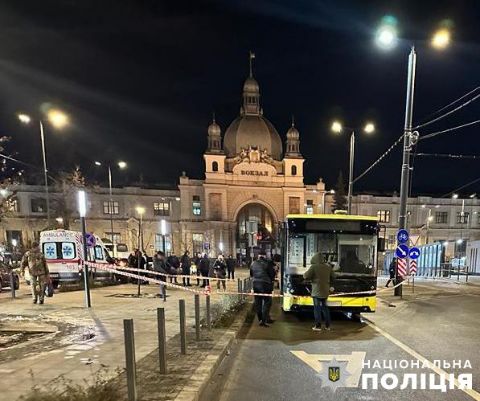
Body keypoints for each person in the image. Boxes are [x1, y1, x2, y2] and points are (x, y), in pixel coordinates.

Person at [304, 252, 334, 331]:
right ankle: (328, 326)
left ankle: (318, 326)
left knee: (317, 309)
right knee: (325, 308)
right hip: (325, 290)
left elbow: (306, 276)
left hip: (316, 291)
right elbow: (334, 277)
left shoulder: (314, 267)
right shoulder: (328, 267)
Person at [250, 251, 276, 327]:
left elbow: (251, 274)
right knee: (267, 302)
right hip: (266, 285)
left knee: (258, 303)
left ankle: (260, 319)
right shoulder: (268, 263)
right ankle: (264, 321)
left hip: (256, 284)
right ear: (265, 256)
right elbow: (272, 275)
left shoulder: (253, 263)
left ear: (258, 256)